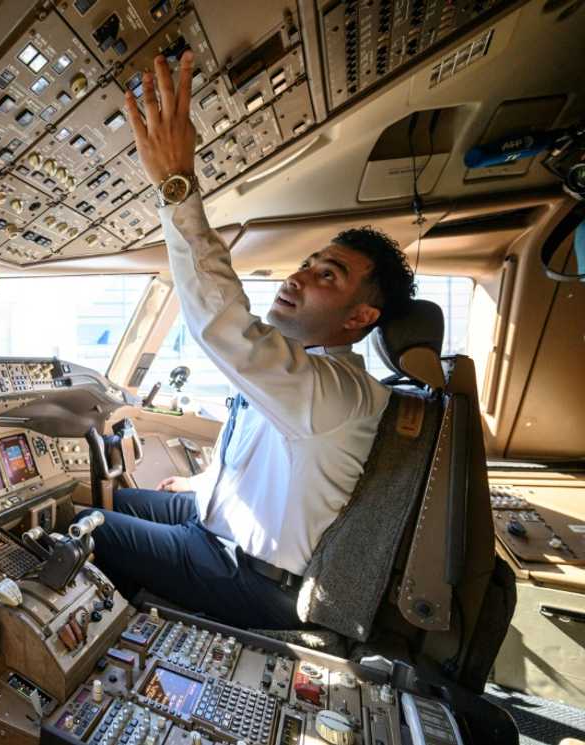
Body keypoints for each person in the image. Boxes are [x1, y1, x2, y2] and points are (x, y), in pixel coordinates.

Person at [82, 50, 417, 629]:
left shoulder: (342, 392)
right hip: (223, 529)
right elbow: (270, 457)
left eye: (326, 275)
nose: (298, 276)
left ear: (360, 317)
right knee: (106, 497)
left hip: (250, 576)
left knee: (78, 524)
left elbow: (225, 327)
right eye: (308, 263)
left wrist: (175, 185)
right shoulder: (306, 377)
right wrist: (203, 482)